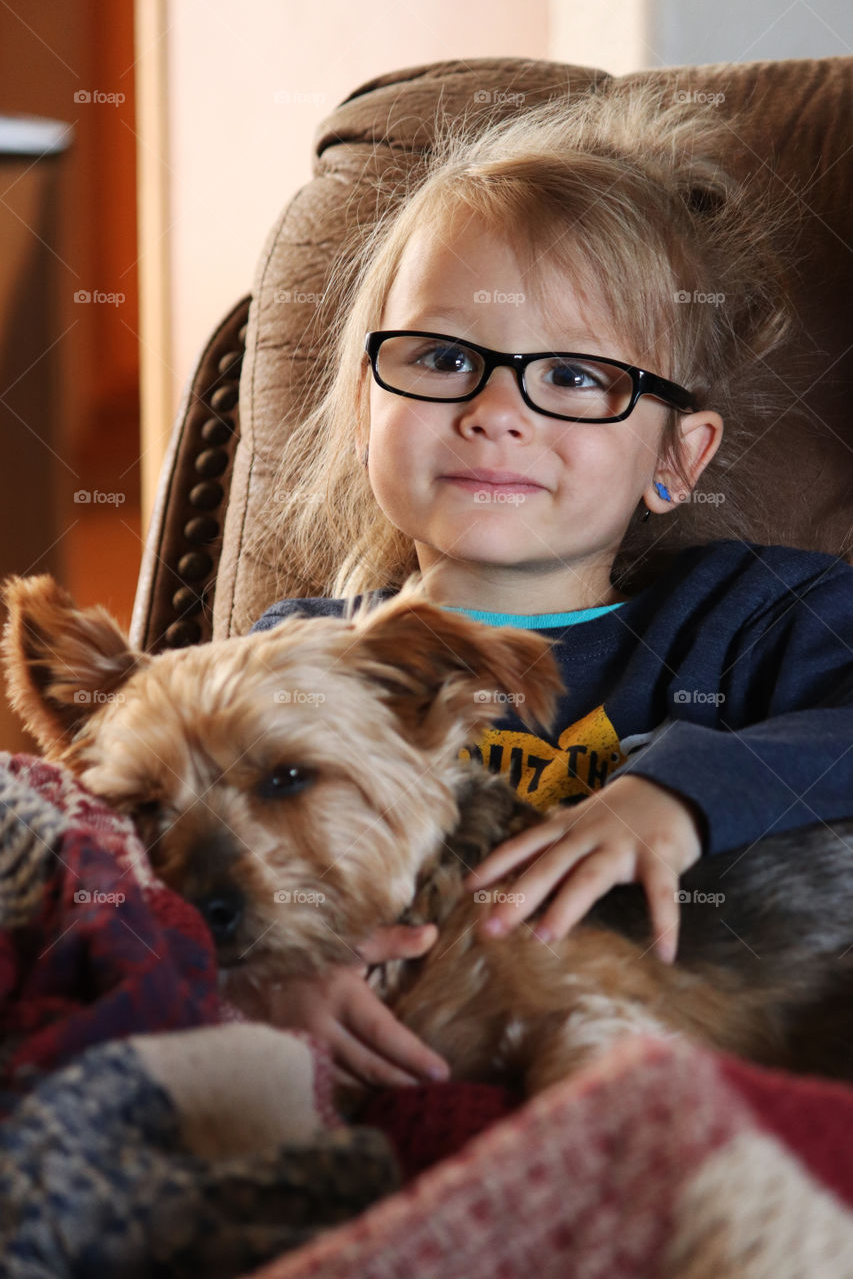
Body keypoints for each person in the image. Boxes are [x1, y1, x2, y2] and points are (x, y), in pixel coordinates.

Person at [248, 82, 853, 1092]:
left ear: (676, 456)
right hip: (405, 1085)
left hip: (681, 1072)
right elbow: (176, 863)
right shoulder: (300, 659)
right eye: (445, 357)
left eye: (574, 376)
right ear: (367, 407)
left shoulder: (752, 622)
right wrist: (266, 984)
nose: (496, 409)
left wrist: (684, 791)